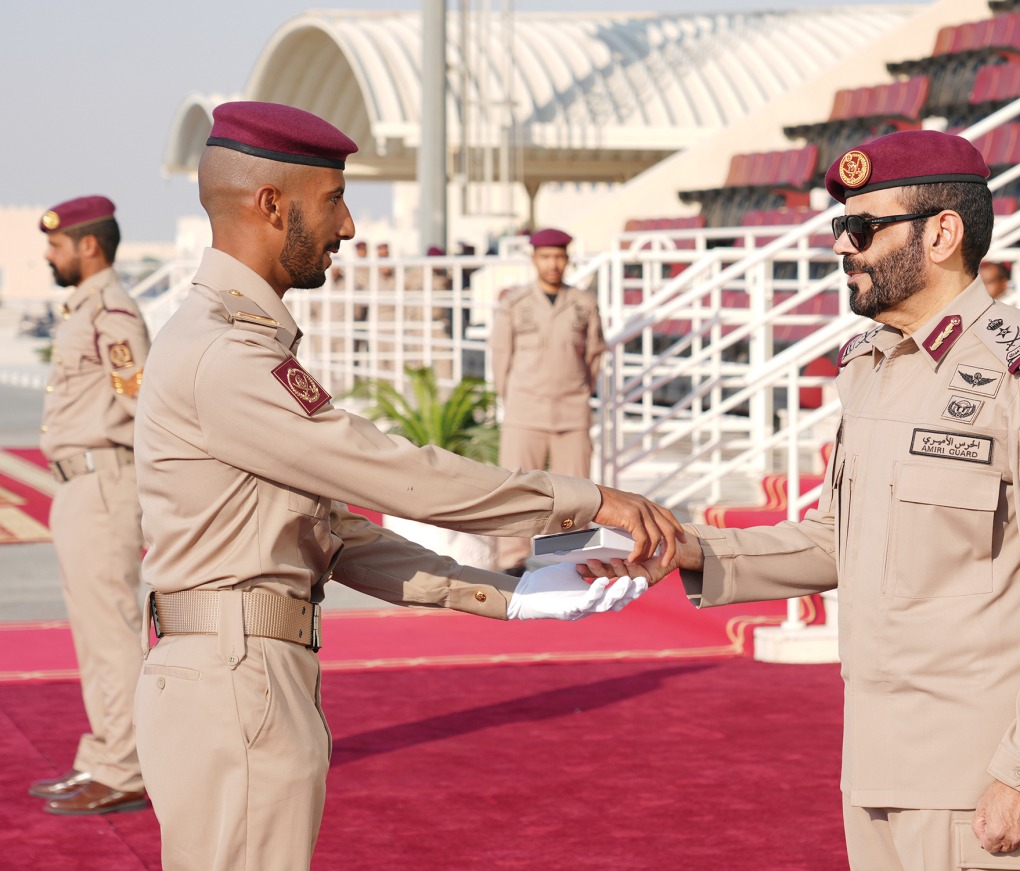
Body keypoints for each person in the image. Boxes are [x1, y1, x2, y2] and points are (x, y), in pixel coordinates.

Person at [132, 100, 681, 871]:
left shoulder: (228, 341)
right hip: (236, 682)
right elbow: (397, 474)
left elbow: (330, 534)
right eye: (335, 200)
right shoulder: (228, 357)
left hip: (240, 673)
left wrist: (503, 592)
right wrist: (586, 499)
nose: (350, 226)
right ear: (271, 204)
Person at [589, 130, 1020, 871]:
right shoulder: (868, 366)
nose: (842, 247)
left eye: (862, 228)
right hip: (872, 772)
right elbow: (838, 539)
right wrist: (690, 546)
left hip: (980, 780)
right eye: (842, 227)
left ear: (942, 232)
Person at [30, 196, 150, 815]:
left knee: (112, 633)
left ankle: (127, 769)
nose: (49, 256)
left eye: (56, 246)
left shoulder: (110, 311)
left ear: (89, 246)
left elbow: (141, 403)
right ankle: (104, 758)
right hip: (80, 486)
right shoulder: (86, 308)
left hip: (104, 485)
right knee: (93, 635)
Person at [490, 228, 606, 573]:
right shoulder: (514, 304)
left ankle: (571, 561)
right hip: (525, 410)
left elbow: (594, 356)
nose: (552, 264)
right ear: (534, 259)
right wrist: (511, 399)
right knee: (515, 489)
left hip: (572, 410)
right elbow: (501, 357)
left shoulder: (584, 304)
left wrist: (580, 392)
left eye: (558, 256)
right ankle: (512, 560)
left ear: (567, 259)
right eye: (545, 257)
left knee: (576, 493)